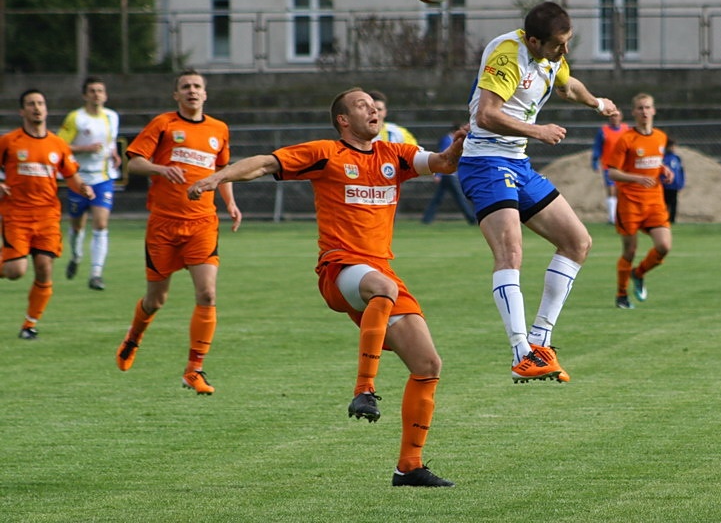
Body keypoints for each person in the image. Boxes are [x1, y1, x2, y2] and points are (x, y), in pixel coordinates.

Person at [187, 87, 462, 488]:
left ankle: (409, 467)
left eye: (375, 104)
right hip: (339, 269)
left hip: (380, 273)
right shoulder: (325, 153)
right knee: (381, 286)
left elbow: (443, 164)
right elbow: (265, 163)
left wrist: (461, 143)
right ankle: (364, 389)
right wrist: (217, 177)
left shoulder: (395, 154)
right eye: (362, 105)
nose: (373, 109)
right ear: (343, 121)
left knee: (428, 365)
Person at [456, 1, 617, 383]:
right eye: (557, 45)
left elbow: (567, 85)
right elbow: (487, 115)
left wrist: (597, 103)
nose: (564, 51)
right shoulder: (508, 55)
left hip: (517, 163)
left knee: (577, 241)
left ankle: (540, 339)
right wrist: (539, 130)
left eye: (568, 43)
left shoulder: (550, 56)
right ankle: (521, 353)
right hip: (485, 161)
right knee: (511, 252)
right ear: (533, 40)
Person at [115, 69, 242, 395]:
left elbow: (221, 172)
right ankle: (134, 336)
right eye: (185, 87)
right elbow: (133, 163)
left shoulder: (219, 129)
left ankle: (194, 370)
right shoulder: (163, 124)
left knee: (208, 294)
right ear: (177, 95)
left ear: (205, 93)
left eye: (197, 86)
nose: (192, 91)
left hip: (202, 223)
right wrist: (160, 168)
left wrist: (230, 203)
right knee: (157, 299)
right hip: (163, 225)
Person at [0, 89, 95, 339]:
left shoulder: (57, 144)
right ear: (22, 111)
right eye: (31, 104)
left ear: (46, 108)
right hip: (16, 215)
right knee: (15, 271)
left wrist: (82, 187)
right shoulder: (9, 142)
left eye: (40, 103)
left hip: (47, 217)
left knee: (44, 268)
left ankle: (29, 324)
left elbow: (71, 176)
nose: (37, 108)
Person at [607, 93, 674, 310]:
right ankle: (621, 295)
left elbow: (652, 161)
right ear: (634, 112)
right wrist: (636, 178)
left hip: (654, 201)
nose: (644, 112)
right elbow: (613, 173)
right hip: (630, 202)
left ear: (654, 110)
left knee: (664, 246)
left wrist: (664, 169)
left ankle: (639, 273)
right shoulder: (626, 139)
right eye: (640, 108)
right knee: (630, 251)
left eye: (647, 107)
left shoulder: (661, 137)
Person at [58, 76, 122, 290]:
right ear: (85, 95)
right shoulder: (76, 118)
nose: (97, 94)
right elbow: (59, 146)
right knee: (77, 226)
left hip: (103, 177)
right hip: (79, 177)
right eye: (92, 91)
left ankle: (96, 273)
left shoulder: (112, 117)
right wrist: (85, 149)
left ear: (105, 95)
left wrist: (113, 154)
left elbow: (110, 142)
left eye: (100, 90)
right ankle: (76, 256)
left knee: (101, 223)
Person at [421, 123, 477, 224]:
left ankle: (427, 218)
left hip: (447, 175)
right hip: (449, 175)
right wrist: (438, 174)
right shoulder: (448, 140)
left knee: (438, 198)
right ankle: (471, 218)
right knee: (460, 197)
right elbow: (443, 157)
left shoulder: (450, 139)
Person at [591, 109, 631, 224]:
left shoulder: (626, 130)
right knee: (611, 190)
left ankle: (622, 215)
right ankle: (612, 217)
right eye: (612, 116)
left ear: (621, 117)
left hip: (623, 165)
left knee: (622, 190)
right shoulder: (604, 131)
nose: (614, 118)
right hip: (608, 165)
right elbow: (597, 147)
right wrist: (595, 161)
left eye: (616, 116)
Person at [662, 137, 686, 224]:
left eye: (673, 146)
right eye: (670, 146)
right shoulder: (662, 158)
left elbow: (681, 171)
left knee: (674, 203)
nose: (672, 148)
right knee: (664, 204)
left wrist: (681, 183)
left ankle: (672, 220)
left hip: (674, 185)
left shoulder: (677, 158)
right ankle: (663, 220)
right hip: (664, 185)